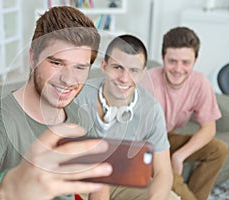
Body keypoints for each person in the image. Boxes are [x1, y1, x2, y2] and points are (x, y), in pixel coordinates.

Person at [0, 6, 114, 200]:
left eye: (80, 67)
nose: (69, 79)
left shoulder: (80, 117)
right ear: (33, 57)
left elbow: (99, 180)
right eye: (56, 63)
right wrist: (8, 186)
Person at [75, 34, 177, 199]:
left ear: (143, 73)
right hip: (82, 180)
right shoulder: (78, 97)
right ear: (104, 66)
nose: (124, 78)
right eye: (117, 67)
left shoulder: (151, 110)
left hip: (124, 180)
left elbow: (163, 172)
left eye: (134, 71)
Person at [149, 26, 228, 200]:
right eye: (172, 61)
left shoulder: (199, 82)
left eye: (185, 62)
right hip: (145, 145)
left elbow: (209, 128)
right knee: (170, 176)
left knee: (219, 150)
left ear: (195, 60)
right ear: (163, 57)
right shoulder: (148, 83)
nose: (178, 69)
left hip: (168, 137)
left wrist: (179, 156)